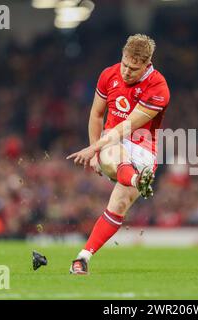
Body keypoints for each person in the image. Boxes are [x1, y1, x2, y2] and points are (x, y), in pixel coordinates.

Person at [66, 34, 170, 275]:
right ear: (122, 56)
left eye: (133, 69)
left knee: (119, 205)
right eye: (124, 64)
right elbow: (96, 115)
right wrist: (94, 151)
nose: (126, 72)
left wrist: (94, 148)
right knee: (113, 146)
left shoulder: (159, 88)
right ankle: (135, 179)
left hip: (142, 148)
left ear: (147, 63)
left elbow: (128, 127)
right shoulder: (108, 75)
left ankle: (82, 259)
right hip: (111, 144)